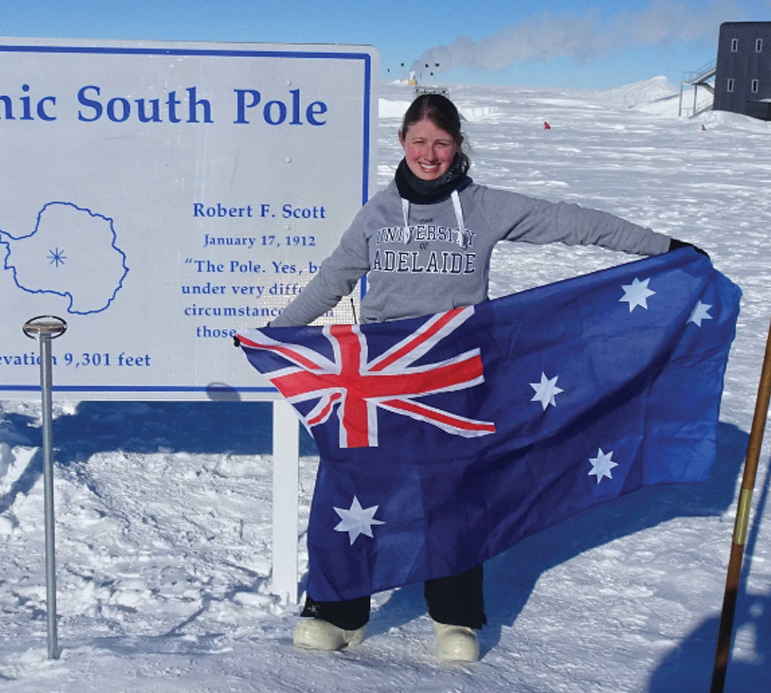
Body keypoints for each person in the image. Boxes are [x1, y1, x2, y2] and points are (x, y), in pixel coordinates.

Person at [269, 92, 697, 661]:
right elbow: (334, 278)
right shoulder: (377, 214)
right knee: (357, 488)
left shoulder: (485, 207)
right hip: (379, 380)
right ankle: (339, 611)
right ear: (401, 143)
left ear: (457, 147)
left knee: (454, 494)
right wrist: (279, 331)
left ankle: (455, 618)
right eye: (419, 142)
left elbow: (573, 222)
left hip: (457, 379)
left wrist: (663, 250)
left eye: (441, 143)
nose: (429, 154)